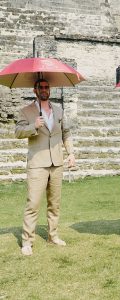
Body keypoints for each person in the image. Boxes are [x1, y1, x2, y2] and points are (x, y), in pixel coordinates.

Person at [15, 78, 75, 256]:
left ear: (50, 90)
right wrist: (34, 126)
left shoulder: (58, 110)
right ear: (35, 90)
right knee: (33, 204)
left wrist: (70, 153)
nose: (44, 89)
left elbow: (66, 133)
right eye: (40, 87)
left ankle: (53, 235)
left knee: (54, 204)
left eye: (46, 87)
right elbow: (18, 132)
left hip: (57, 163)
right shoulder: (26, 111)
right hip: (37, 164)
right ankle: (27, 241)